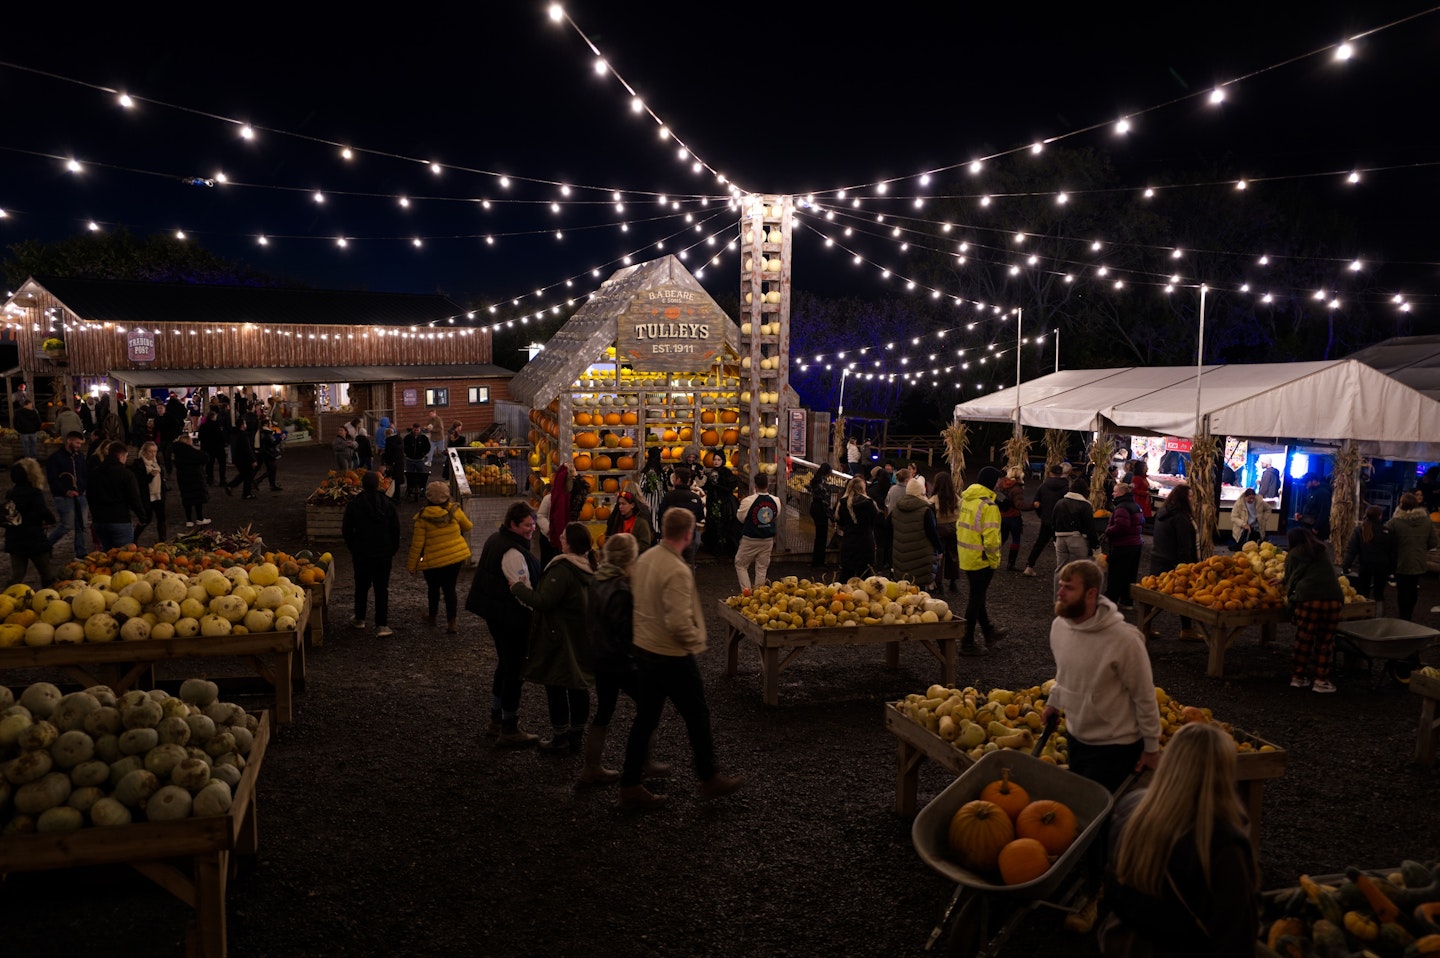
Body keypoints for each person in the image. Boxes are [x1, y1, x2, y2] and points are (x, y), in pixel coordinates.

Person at [617, 507, 744, 810]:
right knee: (697, 715)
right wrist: (696, 641)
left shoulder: (645, 559)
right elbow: (677, 621)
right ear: (689, 534)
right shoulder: (676, 570)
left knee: (645, 719)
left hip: (645, 650)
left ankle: (630, 784)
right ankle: (708, 776)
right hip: (671, 654)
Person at [1103, 722, 1260, 958]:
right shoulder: (1222, 844)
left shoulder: (1131, 808)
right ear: (1224, 773)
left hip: (1122, 943)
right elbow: (1235, 938)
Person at [1043, 559, 1162, 790]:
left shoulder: (1124, 639)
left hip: (1115, 747)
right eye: (1061, 585)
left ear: (1091, 594)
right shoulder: (1059, 627)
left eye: (1069, 587)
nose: (1061, 593)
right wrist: (1054, 703)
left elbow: (1144, 695)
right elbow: (1065, 673)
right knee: (1083, 813)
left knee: (1102, 818)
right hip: (1075, 737)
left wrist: (1151, 747)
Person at [582, 533, 670, 786]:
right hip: (620, 661)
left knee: (604, 710)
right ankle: (644, 762)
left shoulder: (598, 579)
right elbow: (625, 631)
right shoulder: (621, 588)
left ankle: (592, 766)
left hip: (600, 658)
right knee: (649, 707)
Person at [511, 522, 597, 754]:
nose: (560, 535)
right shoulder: (590, 566)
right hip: (580, 635)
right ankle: (576, 736)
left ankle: (560, 737)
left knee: (557, 684)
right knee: (578, 685)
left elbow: (544, 601)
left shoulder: (563, 569)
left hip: (559, 637)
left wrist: (517, 588)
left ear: (570, 542)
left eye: (564, 535)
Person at [466, 502, 542, 747]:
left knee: (505, 664)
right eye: (527, 525)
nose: (532, 529)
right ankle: (509, 726)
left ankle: (496, 717)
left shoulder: (496, 539)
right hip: (510, 617)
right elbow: (522, 591)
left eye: (533, 523)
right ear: (513, 525)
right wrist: (539, 609)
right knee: (515, 670)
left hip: (495, 613)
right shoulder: (512, 553)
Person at [1283, 526, 1345, 693]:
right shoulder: (1322, 551)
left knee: (1304, 639)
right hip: (1333, 599)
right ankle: (1321, 681)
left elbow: (1290, 579)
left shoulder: (1293, 554)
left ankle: (1298, 677)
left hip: (1309, 599)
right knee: (1326, 641)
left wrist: (1288, 598)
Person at [407, 481, 473, 634]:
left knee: (433, 588)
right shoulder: (454, 510)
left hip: (432, 561)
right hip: (454, 558)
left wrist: (412, 566)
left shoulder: (422, 517)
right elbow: (468, 526)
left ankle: (432, 616)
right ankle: (452, 622)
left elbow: (417, 545)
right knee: (450, 589)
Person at [344, 470, 401, 637]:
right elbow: (395, 530)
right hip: (383, 554)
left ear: (362, 485)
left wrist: (353, 548)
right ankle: (381, 624)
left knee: (361, 586)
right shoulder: (388, 504)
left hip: (361, 552)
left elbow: (347, 530)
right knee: (381, 588)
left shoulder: (354, 504)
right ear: (378, 484)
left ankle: (360, 618)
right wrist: (392, 549)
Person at [956, 466, 1005, 656]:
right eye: (999, 480)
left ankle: (988, 630)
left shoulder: (967, 500)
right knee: (975, 600)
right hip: (981, 559)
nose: (1001, 484)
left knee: (978, 595)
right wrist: (995, 560)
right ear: (992, 482)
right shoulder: (989, 506)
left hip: (966, 555)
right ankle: (967, 643)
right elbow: (992, 539)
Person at [1150, 483, 1200, 641]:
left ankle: (1146, 625)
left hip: (1158, 558)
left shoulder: (1162, 512)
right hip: (1175, 563)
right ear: (1184, 499)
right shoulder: (1181, 518)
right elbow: (1184, 545)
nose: (1192, 500)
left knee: (1152, 594)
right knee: (1184, 595)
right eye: (1190, 497)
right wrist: (1189, 565)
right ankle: (1187, 629)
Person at [1385, 492, 1436, 622]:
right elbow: (1433, 542)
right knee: (1413, 588)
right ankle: (1409, 615)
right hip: (1419, 561)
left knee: (1402, 590)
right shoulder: (1426, 521)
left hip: (1400, 561)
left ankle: (1403, 616)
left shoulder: (1395, 522)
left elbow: (1384, 538)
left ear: (1401, 505)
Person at [5, 459, 55, 587]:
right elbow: (42, 511)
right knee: (47, 574)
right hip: (34, 538)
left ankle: (6, 599)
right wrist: (51, 519)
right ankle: (48, 598)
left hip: (15, 539)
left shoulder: (10, 494)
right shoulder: (34, 493)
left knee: (17, 576)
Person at [88, 444, 145, 549]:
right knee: (123, 557)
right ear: (121, 456)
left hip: (99, 521)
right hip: (120, 520)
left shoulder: (95, 473)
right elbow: (134, 498)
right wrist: (142, 517)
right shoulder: (126, 474)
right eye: (126, 457)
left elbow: (89, 495)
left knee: (107, 556)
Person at [1051, 476, 1100, 596]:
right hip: (1077, 540)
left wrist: (1054, 539)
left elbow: (1052, 522)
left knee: (1060, 569)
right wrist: (1095, 545)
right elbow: (1090, 527)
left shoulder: (1060, 502)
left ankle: (1058, 599)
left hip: (1060, 538)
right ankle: (1077, 599)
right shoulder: (1085, 505)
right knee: (1080, 571)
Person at [1343, 505, 1396, 612]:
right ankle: (1379, 615)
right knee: (1379, 593)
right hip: (1382, 567)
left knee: (1363, 591)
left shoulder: (1359, 530)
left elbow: (1352, 550)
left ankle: (1362, 614)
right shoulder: (1387, 532)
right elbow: (1392, 552)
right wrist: (1392, 571)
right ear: (1380, 516)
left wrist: (1346, 566)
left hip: (1365, 565)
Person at [891, 475, 941, 590]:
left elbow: (887, 527)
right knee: (919, 593)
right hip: (921, 558)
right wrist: (939, 549)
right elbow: (932, 533)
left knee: (903, 593)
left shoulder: (897, 508)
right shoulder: (925, 510)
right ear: (921, 493)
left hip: (900, 556)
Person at [45, 431, 89, 557]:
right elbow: (52, 479)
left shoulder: (79, 456)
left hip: (80, 495)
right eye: (77, 443)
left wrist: (84, 487)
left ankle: (81, 552)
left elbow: (84, 473)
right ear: (69, 441)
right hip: (63, 497)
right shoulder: (55, 458)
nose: (79, 446)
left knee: (82, 525)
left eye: (80, 443)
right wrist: (65, 491)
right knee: (67, 524)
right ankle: (47, 544)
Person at [732, 474, 779, 590]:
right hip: (768, 539)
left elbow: (740, 518)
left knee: (741, 564)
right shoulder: (776, 500)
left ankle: (746, 593)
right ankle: (759, 595)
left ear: (755, 486)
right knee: (762, 568)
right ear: (767, 485)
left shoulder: (748, 501)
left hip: (750, 539)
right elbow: (775, 516)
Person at [1022, 463, 1069, 577]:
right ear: (1061, 474)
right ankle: (1064, 570)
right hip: (1060, 522)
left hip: (1046, 520)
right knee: (1061, 546)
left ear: (1050, 473)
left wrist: (1042, 515)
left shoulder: (1043, 486)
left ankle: (1029, 566)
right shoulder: (1066, 488)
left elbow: (1036, 503)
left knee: (1039, 543)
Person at [1104, 482, 1145, 611]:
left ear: (1121, 493)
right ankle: (1127, 600)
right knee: (1130, 574)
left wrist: (1108, 531)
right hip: (1136, 545)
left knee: (1116, 574)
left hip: (1123, 546)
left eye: (1115, 491)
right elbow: (1142, 522)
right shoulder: (1136, 506)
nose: (1112, 493)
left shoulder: (1121, 507)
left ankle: (1111, 601)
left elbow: (1121, 527)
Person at [835, 475, 880, 582]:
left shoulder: (842, 503)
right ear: (863, 488)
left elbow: (839, 521)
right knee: (865, 575)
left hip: (849, 540)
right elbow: (876, 521)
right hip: (866, 541)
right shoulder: (869, 503)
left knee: (846, 574)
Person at [657, 468, 705, 568]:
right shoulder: (695, 498)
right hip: (689, 537)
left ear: (677, 479)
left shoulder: (669, 496)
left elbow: (661, 515)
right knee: (688, 565)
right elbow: (700, 517)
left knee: (670, 566)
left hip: (672, 538)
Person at [128, 441, 168, 544]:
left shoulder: (156, 461)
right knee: (146, 519)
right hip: (146, 496)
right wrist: (150, 476)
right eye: (151, 451)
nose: (153, 454)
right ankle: (133, 538)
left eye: (155, 451)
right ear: (144, 452)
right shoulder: (138, 464)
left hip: (159, 494)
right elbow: (138, 482)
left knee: (161, 518)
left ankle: (162, 540)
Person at [929, 471, 961, 594]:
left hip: (939, 530)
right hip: (954, 529)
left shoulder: (933, 500)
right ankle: (953, 582)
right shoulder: (955, 498)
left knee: (939, 556)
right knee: (953, 555)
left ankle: (938, 583)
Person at [170, 435, 210, 527]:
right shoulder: (191, 452)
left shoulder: (177, 452)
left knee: (186, 498)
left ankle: (189, 520)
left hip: (183, 477)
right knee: (198, 497)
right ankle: (199, 518)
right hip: (195, 477)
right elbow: (205, 457)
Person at [996, 467, 1029, 572]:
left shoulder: (1001, 483)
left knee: (1001, 538)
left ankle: (990, 557)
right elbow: (1019, 505)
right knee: (1016, 540)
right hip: (1014, 517)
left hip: (1002, 515)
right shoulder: (1017, 488)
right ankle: (1011, 563)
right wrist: (1034, 505)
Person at [807, 463, 835, 568]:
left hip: (814, 507)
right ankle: (819, 562)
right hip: (821, 510)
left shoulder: (815, 481)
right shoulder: (825, 484)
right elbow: (826, 503)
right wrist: (832, 517)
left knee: (818, 536)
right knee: (822, 537)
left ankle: (816, 561)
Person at [223, 418, 257, 500]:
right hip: (244, 459)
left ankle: (231, 486)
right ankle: (246, 493)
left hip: (237, 458)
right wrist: (253, 460)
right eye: (245, 423)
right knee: (249, 474)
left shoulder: (234, 434)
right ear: (242, 425)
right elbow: (247, 449)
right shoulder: (243, 435)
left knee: (243, 474)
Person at [868, 466, 894, 568]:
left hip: (878, 518)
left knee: (879, 543)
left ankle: (879, 564)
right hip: (889, 517)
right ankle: (889, 563)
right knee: (889, 541)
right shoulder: (891, 489)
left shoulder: (872, 490)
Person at [1294, 473, 1332, 541]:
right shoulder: (1312, 491)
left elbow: (1324, 512)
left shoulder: (1323, 493)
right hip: (1307, 525)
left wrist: (1316, 527)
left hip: (1316, 529)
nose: (1306, 485)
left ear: (1314, 481)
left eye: (1307, 482)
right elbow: (1309, 506)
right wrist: (1301, 515)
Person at [198, 410, 227, 487]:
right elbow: (221, 437)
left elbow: (200, 437)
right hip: (218, 448)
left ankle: (210, 479)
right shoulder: (217, 426)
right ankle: (222, 480)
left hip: (207, 448)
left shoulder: (203, 426)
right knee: (222, 464)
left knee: (209, 464)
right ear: (214, 417)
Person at [254, 423, 284, 492]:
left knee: (271, 469)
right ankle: (258, 481)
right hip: (268, 453)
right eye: (270, 424)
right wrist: (281, 438)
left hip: (265, 453)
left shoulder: (263, 432)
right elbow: (273, 443)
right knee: (272, 469)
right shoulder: (267, 433)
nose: (271, 425)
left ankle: (272, 484)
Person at [1129, 459, 1153, 529]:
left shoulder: (1144, 477)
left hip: (1144, 501)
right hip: (1139, 501)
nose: (1147, 468)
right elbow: (1133, 490)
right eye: (1146, 467)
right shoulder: (1137, 478)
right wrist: (1145, 493)